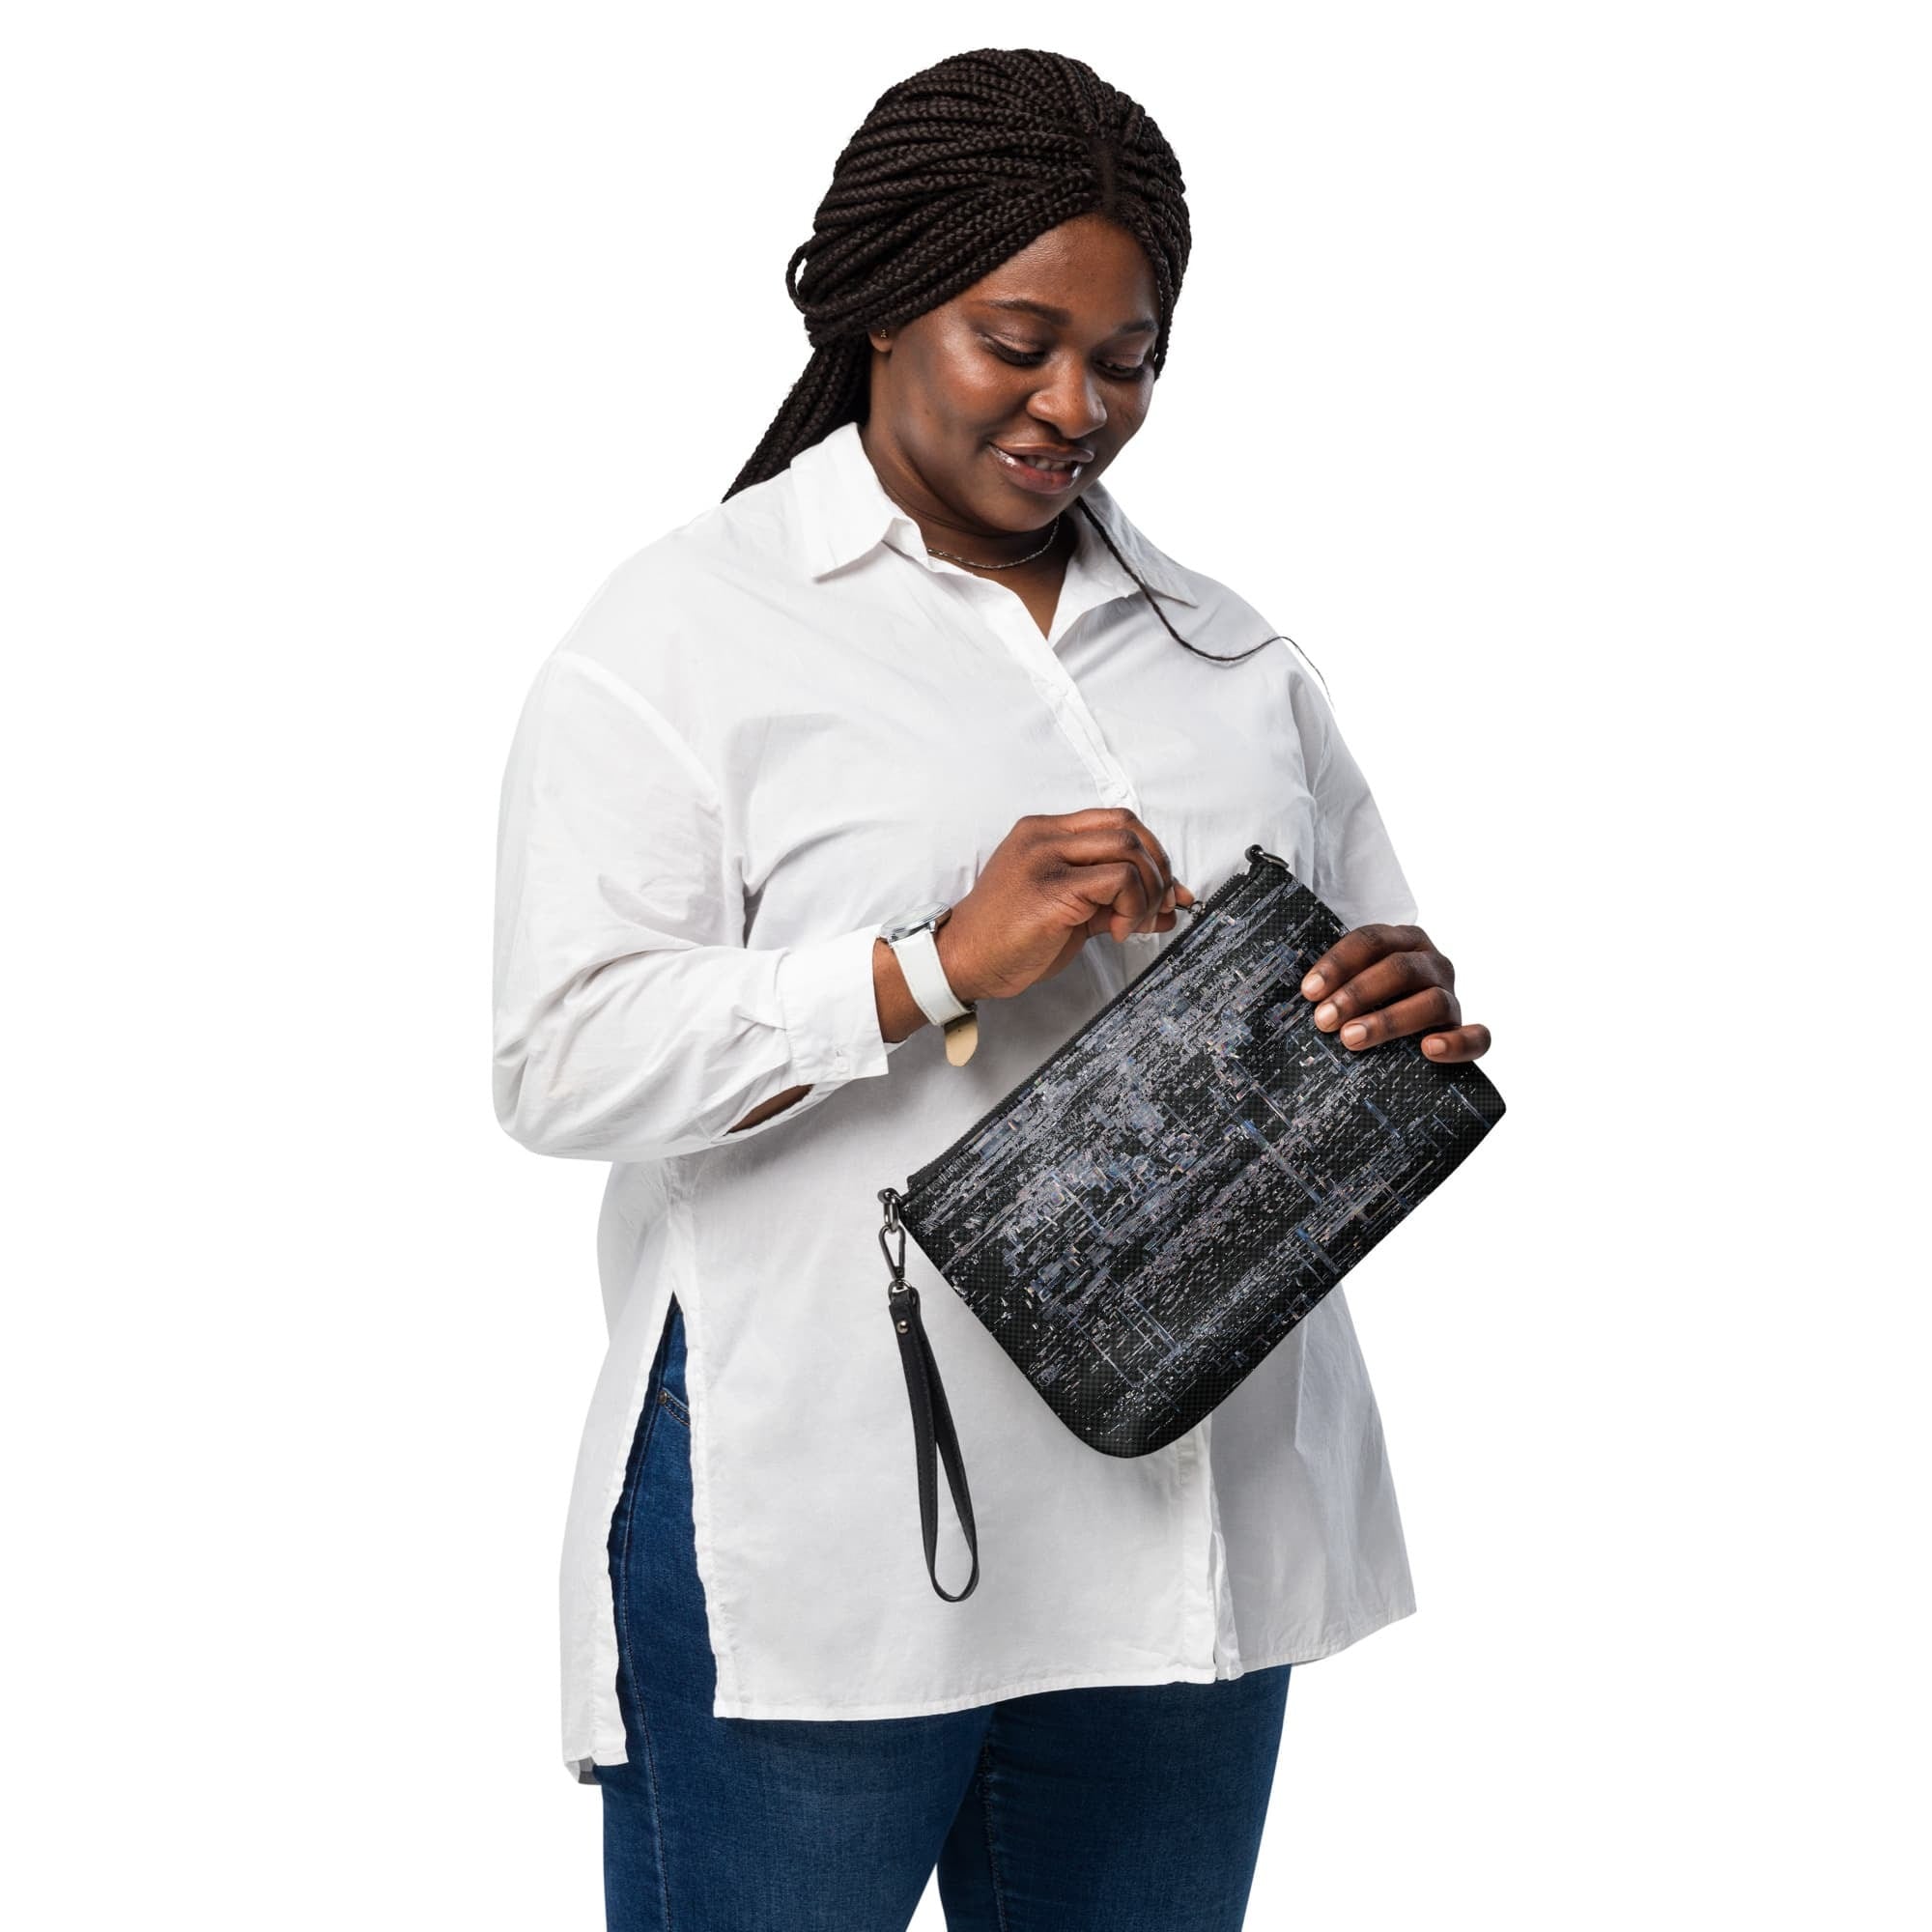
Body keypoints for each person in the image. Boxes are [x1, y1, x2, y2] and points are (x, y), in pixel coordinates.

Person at [491, 44, 1492, 1932]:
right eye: (1015, 343)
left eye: (1127, 360)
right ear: (880, 306)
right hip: (828, 1518)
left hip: (1184, 1493)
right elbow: (559, 1061)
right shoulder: (687, 636)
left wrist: (1387, 1004)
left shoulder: (1229, 655)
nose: (1076, 407)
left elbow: (1364, 956)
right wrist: (926, 966)